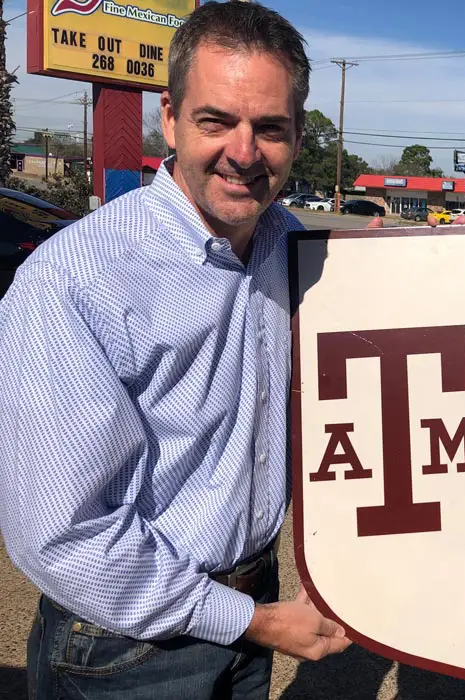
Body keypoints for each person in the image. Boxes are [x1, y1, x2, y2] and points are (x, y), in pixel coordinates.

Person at [0, 3, 352, 698]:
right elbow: (61, 535)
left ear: (297, 135)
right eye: (216, 121)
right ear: (170, 118)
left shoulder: (295, 246)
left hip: (254, 607)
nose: (244, 152)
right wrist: (248, 620)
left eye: (270, 128)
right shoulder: (75, 281)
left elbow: (459, 300)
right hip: (121, 648)